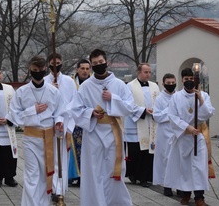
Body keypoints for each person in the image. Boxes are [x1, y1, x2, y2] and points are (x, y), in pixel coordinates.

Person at [70, 49, 134, 206]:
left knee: (114, 170)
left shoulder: (119, 84)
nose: (99, 65)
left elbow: (129, 107)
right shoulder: (86, 87)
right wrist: (90, 112)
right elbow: (75, 109)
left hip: (114, 132)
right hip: (93, 133)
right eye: (95, 63)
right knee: (94, 171)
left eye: (101, 62)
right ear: (91, 65)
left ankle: (115, 202)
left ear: (107, 62)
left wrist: (113, 98)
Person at [7, 55, 66, 206]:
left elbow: (60, 111)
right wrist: (32, 110)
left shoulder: (53, 91)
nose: (37, 72)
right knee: (32, 176)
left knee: (45, 175)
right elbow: (14, 116)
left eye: (40, 70)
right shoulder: (22, 92)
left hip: (49, 138)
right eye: (34, 70)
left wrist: (59, 122)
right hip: (31, 138)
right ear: (30, 70)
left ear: (46, 69)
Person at [164, 68, 215, 206]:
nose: (189, 82)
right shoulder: (176, 97)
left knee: (198, 167)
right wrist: (188, 128)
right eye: (186, 79)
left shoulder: (203, 94)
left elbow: (209, 113)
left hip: (198, 137)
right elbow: (172, 116)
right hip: (183, 137)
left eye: (191, 79)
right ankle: (186, 194)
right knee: (185, 168)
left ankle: (199, 197)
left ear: (195, 79)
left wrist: (200, 99)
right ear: (182, 80)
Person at [44, 53, 77, 201]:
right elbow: (43, 103)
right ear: (48, 64)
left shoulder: (69, 82)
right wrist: (51, 90)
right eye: (53, 63)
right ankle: (51, 187)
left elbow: (73, 102)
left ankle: (60, 188)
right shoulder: (44, 82)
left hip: (64, 124)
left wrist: (64, 119)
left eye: (58, 62)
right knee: (50, 158)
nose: (55, 65)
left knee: (61, 158)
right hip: (48, 124)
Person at [124, 63, 159, 188]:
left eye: (150, 72)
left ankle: (146, 176)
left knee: (148, 151)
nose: (148, 74)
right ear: (139, 72)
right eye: (146, 72)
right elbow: (128, 104)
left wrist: (156, 111)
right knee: (136, 152)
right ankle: (135, 175)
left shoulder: (154, 86)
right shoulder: (130, 86)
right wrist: (143, 111)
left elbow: (158, 102)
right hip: (135, 123)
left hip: (151, 123)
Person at [152, 73, 177, 196]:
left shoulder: (178, 96)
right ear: (163, 84)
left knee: (178, 160)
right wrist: (171, 111)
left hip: (178, 132)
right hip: (164, 132)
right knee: (166, 159)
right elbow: (156, 116)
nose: (171, 85)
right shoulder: (159, 99)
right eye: (168, 83)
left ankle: (179, 186)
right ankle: (167, 185)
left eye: (173, 83)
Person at [68, 59, 91, 186]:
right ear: (77, 69)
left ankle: (87, 175)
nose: (85, 71)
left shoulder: (93, 82)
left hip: (89, 120)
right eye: (82, 68)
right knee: (74, 149)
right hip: (75, 120)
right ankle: (75, 174)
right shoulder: (71, 83)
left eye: (87, 69)